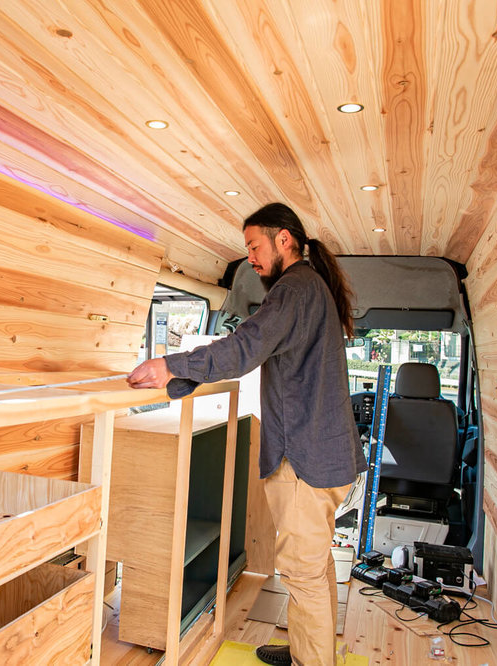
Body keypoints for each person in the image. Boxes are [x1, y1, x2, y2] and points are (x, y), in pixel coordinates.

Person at [127, 202, 365, 666]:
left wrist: (169, 367)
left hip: (306, 461)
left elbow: (245, 347)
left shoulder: (294, 289)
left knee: (303, 574)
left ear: (284, 240)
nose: (251, 258)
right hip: (323, 456)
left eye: (255, 247)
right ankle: (304, 648)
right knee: (312, 570)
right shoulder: (310, 289)